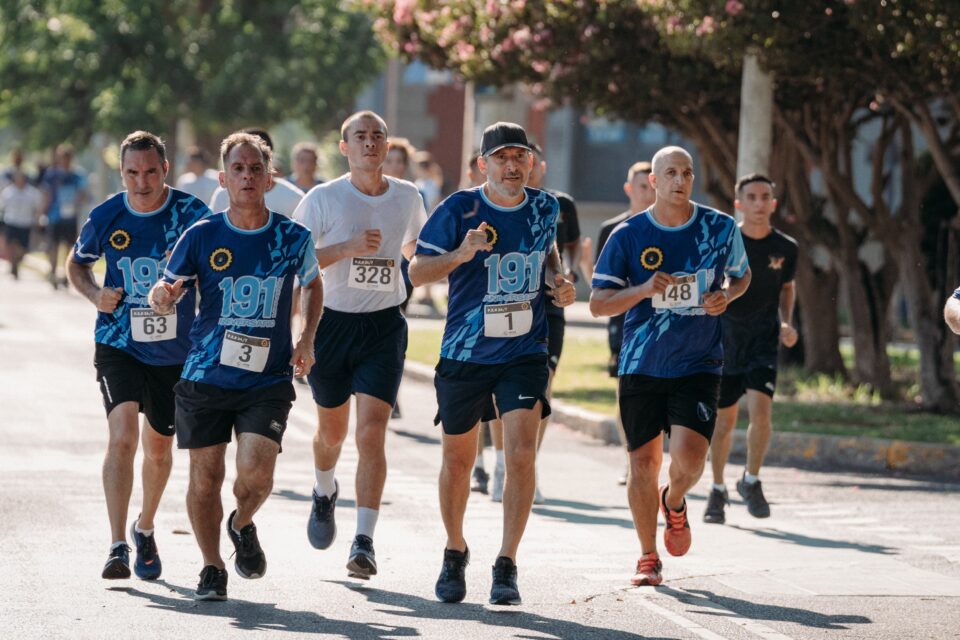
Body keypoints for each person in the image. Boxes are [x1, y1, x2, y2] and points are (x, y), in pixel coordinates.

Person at [148, 131, 322, 601]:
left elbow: (313, 284)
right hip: (206, 375)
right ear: (224, 179)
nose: (247, 176)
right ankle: (210, 567)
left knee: (257, 474)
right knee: (205, 480)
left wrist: (305, 337)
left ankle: (242, 522)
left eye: (256, 169)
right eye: (239, 170)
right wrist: (162, 297)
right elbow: (167, 288)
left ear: (270, 178)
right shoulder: (202, 234)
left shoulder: (292, 236)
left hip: (267, 378)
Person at [410, 121, 576, 606]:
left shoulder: (547, 207)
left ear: (531, 163)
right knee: (458, 462)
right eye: (501, 157)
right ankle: (454, 549)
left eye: (519, 157)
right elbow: (417, 272)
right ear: (483, 164)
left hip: (525, 349)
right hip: (465, 352)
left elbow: (550, 258)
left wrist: (560, 286)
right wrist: (462, 252)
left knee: (522, 453)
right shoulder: (459, 208)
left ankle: (506, 563)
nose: (512, 165)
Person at [589, 145, 751, 587]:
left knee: (690, 460)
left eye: (687, 172)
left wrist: (727, 295)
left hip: (698, 361)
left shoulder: (718, 227)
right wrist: (642, 290)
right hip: (641, 363)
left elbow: (741, 275)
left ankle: (674, 501)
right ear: (653, 182)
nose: (680, 180)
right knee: (642, 462)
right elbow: (598, 304)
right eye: (670, 173)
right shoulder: (628, 235)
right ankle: (647, 555)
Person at [66, 131, 211, 581]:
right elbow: (77, 263)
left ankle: (144, 525)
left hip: (175, 350)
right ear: (121, 172)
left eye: (150, 172)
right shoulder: (107, 214)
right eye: (132, 172)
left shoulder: (193, 214)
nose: (142, 181)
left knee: (160, 448)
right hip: (119, 342)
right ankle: (116, 545)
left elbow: (217, 269)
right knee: (122, 435)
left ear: (165, 169)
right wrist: (95, 294)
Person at [293, 111, 426, 579]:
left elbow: (416, 252)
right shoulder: (324, 198)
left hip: (384, 326)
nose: (370, 143)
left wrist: (451, 258)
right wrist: (347, 247)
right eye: (360, 137)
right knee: (332, 433)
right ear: (344, 146)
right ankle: (323, 490)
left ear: (387, 146)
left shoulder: (408, 197)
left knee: (372, 431)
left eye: (378, 137)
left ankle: (364, 540)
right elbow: (295, 258)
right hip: (332, 324)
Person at [484, 142, 581, 504]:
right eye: (507, 159)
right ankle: (500, 463)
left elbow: (568, 246)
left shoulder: (557, 205)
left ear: (538, 165)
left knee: (542, 386)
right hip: (505, 301)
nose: (519, 166)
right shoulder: (493, 203)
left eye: (526, 159)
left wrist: (565, 273)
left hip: (548, 306)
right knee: (498, 386)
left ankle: (527, 465)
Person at [704, 174, 797, 524]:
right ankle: (716, 489)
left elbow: (788, 287)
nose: (760, 203)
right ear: (739, 204)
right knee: (724, 421)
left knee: (762, 414)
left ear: (773, 203)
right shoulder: (726, 241)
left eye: (766, 197)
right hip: (727, 339)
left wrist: (786, 322)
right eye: (752, 197)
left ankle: (751, 480)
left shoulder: (787, 247)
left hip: (763, 340)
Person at [594, 161, 656, 485]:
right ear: (629, 189)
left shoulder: (668, 230)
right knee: (626, 390)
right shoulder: (612, 230)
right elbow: (602, 283)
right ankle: (630, 455)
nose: (648, 193)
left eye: (652, 186)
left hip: (661, 321)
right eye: (642, 186)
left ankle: (655, 455)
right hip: (623, 321)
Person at [382, 135, 423, 420]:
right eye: (391, 161)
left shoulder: (413, 195)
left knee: (395, 335)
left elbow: (424, 238)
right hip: (370, 278)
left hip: (402, 277)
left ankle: (391, 393)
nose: (395, 166)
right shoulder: (367, 193)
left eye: (400, 162)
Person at [209, 128, 305, 217]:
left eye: (255, 167)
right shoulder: (222, 195)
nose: (247, 175)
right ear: (222, 178)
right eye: (238, 168)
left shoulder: (294, 198)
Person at [42, 143, 88, 288]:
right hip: (54, 216)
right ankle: (53, 272)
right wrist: (43, 212)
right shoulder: (52, 174)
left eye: (68, 158)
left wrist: (77, 202)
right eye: (63, 158)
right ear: (59, 158)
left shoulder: (77, 175)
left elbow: (83, 193)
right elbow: (47, 194)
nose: (65, 160)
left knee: (69, 246)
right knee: (54, 245)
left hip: (71, 216)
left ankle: (65, 274)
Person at [1, 167, 42, 279]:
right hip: (11, 221)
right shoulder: (8, 192)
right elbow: (2, 207)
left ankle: (16, 262)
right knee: (11, 245)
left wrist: (37, 219)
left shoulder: (32, 193)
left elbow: (37, 208)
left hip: (25, 223)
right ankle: (13, 264)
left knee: (24, 248)